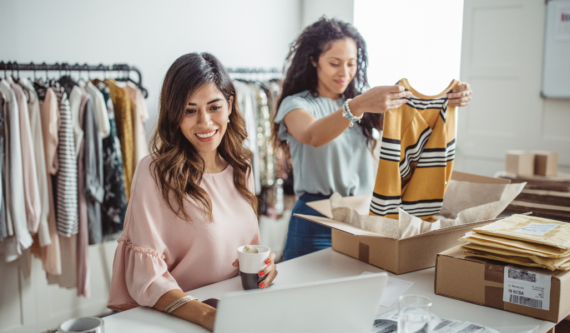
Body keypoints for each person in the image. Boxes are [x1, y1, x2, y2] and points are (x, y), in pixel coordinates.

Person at [272, 17, 473, 261]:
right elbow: (313, 135)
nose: (344, 73)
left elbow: (413, 123)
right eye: (334, 63)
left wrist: (449, 99)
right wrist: (358, 106)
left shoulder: (363, 105)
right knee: (304, 291)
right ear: (314, 60)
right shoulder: (297, 104)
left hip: (363, 215)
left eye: (351, 63)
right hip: (316, 218)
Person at [108, 52, 278, 332]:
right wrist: (209, 317)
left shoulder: (241, 166)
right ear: (174, 114)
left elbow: (246, 249)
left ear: (230, 105)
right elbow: (147, 278)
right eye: (190, 110)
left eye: (214, 107)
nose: (205, 123)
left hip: (238, 309)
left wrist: (265, 267)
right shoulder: (154, 173)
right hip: (181, 319)